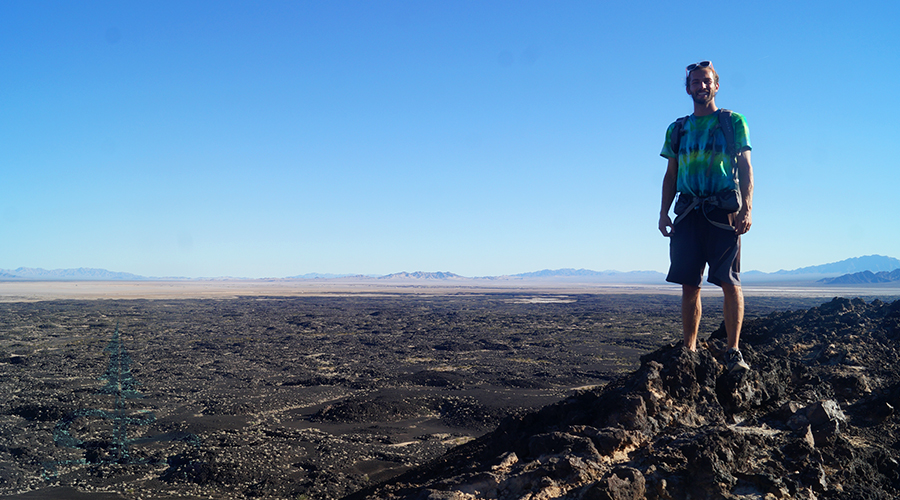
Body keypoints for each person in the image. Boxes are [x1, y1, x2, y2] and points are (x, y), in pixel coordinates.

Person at [658, 60, 754, 372]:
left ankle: (733, 350)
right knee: (689, 283)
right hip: (687, 211)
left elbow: (745, 166)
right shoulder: (678, 129)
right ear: (688, 88)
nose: (701, 86)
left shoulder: (733, 122)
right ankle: (689, 348)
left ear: (716, 85)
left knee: (729, 280)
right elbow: (671, 173)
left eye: (706, 81)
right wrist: (663, 211)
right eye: (695, 82)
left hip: (722, 209)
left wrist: (747, 208)